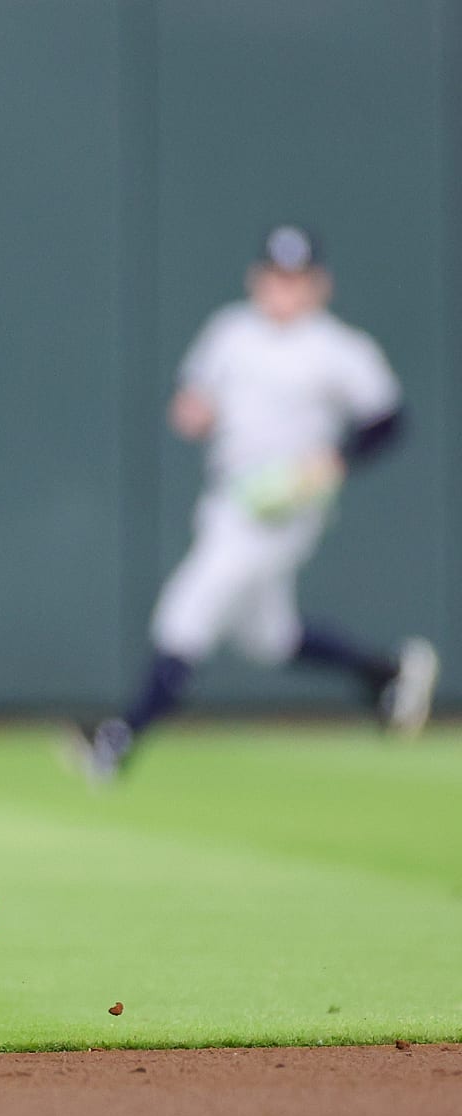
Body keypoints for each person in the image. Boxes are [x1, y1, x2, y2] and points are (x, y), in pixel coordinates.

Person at [73, 224, 439, 782]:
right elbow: (195, 400)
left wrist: (335, 460)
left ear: (318, 284)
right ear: (257, 277)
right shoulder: (230, 332)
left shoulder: (337, 348)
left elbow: (389, 421)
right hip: (230, 493)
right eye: (275, 275)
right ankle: (385, 672)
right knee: (269, 639)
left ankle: (120, 737)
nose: (283, 288)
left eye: (295, 278)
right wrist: (195, 411)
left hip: (286, 505)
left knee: (190, 606)